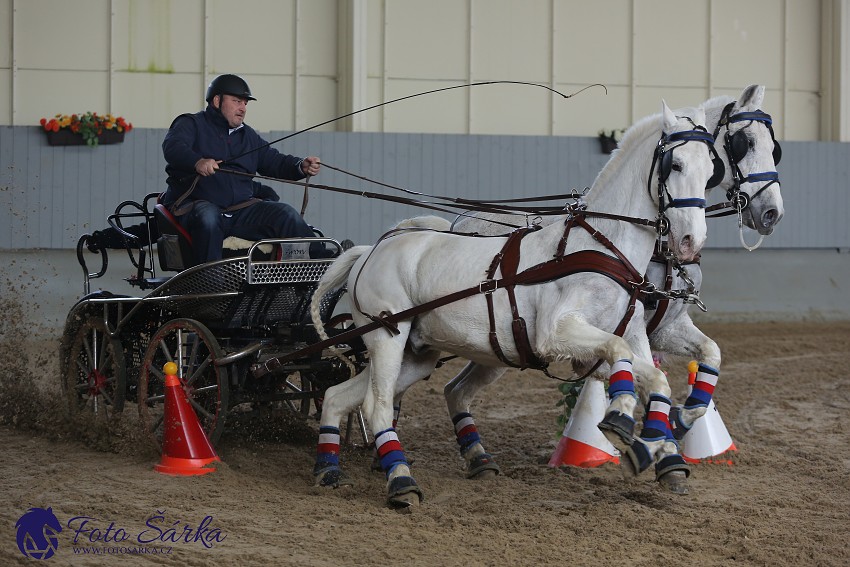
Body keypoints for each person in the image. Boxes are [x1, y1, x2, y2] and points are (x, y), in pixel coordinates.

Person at [161, 73, 327, 266]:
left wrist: (300, 166)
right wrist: (197, 162)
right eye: (237, 101)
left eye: (245, 103)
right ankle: (210, 287)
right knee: (208, 217)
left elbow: (273, 161)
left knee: (286, 214)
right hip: (196, 207)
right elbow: (173, 147)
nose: (243, 108)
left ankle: (323, 266)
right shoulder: (190, 124)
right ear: (217, 100)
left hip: (240, 211)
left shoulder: (248, 136)